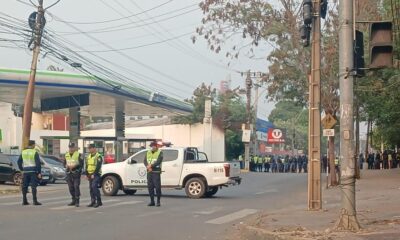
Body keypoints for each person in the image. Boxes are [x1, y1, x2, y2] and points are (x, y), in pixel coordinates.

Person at [17, 140, 42, 206]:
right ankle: (35, 201)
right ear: (33, 145)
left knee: (24, 186)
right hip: (33, 171)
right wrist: (39, 172)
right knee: (33, 186)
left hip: (25, 171)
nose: (34, 146)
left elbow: (19, 162)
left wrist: (22, 169)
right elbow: (38, 163)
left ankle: (24, 201)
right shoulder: (34, 152)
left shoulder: (23, 152)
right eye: (34, 144)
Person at [144, 141, 163, 207]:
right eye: (151, 146)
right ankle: (152, 201)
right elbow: (145, 161)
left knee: (157, 187)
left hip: (156, 172)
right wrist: (147, 166)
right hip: (149, 172)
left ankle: (158, 201)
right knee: (150, 187)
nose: (152, 147)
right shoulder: (148, 152)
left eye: (154, 146)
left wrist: (151, 166)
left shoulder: (160, 152)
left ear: (156, 146)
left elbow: (158, 161)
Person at [65, 142, 83, 207]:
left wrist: (75, 166)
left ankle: (77, 201)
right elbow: (64, 163)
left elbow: (81, 164)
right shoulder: (66, 154)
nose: (71, 149)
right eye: (70, 147)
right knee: (70, 187)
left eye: (72, 147)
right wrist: (66, 166)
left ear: (75, 148)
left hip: (76, 173)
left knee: (76, 186)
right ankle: (73, 200)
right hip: (69, 173)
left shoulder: (78, 154)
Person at [85, 144, 103, 208]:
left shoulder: (98, 156)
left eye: (90, 148)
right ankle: (93, 201)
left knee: (94, 186)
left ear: (94, 148)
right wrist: (86, 174)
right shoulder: (88, 156)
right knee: (91, 189)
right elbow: (87, 165)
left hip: (96, 174)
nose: (89, 149)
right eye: (89, 148)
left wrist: (94, 174)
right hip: (90, 174)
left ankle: (99, 201)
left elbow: (98, 166)